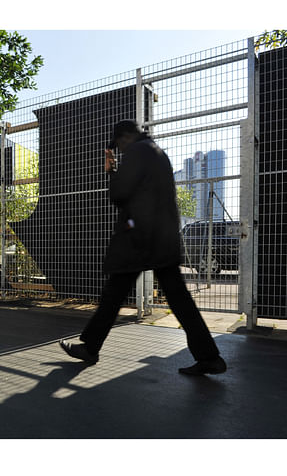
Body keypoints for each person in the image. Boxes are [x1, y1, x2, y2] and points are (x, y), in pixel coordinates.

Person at [59, 120, 227, 376]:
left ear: (125, 138)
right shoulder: (156, 151)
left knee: (114, 295)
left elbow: (119, 194)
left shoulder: (138, 152)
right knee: (177, 301)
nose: (120, 150)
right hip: (159, 238)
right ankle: (209, 357)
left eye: (119, 145)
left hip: (140, 240)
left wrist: (111, 169)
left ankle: (90, 347)